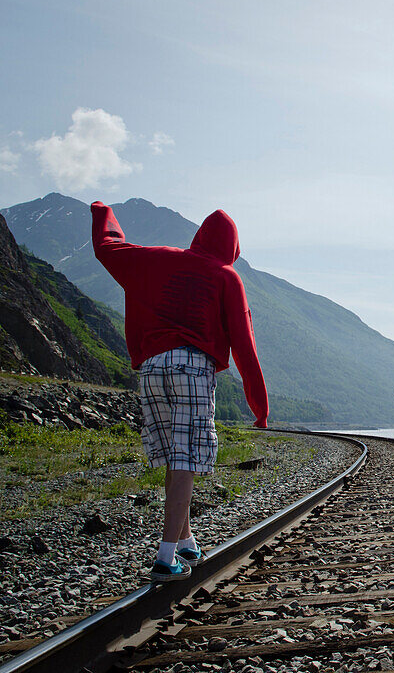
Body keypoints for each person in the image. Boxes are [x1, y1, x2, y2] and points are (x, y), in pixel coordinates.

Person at [91, 201, 268, 582]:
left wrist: (103, 213)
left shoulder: (158, 259)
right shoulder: (225, 276)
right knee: (186, 457)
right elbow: (245, 345)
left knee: (175, 452)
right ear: (232, 248)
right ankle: (165, 555)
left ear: (199, 237)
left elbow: (108, 249)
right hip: (192, 367)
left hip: (152, 367)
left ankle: (185, 541)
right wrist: (259, 406)